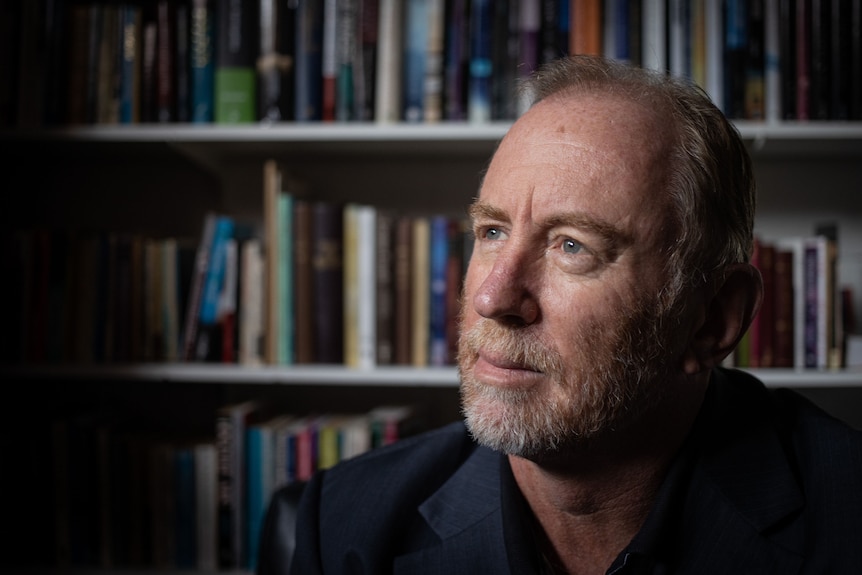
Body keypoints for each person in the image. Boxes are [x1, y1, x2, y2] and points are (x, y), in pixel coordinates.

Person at [288, 55, 862, 574]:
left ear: (711, 319)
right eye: (491, 231)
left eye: (572, 246)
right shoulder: (344, 526)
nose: (493, 298)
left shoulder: (847, 519)